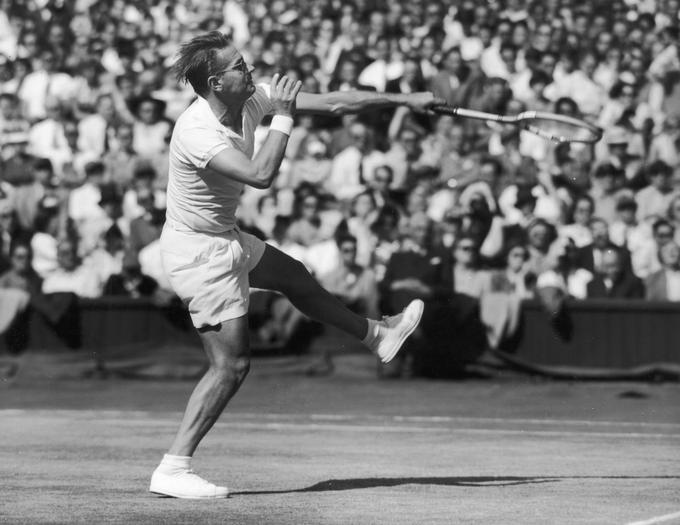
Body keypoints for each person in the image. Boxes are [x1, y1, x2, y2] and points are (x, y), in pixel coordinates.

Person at [149, 32, 438, 499]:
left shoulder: (246, 99)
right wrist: (284, 115)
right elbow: (261, 176)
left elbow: (337, 104)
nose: (252, 70)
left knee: (294, 276)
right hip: (197, 255)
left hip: (224, 238)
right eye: (240, 66)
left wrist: (404, 98)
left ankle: (377, 335)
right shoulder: (196, 131)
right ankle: (173, 467)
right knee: (231, 366)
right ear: (217, 83)